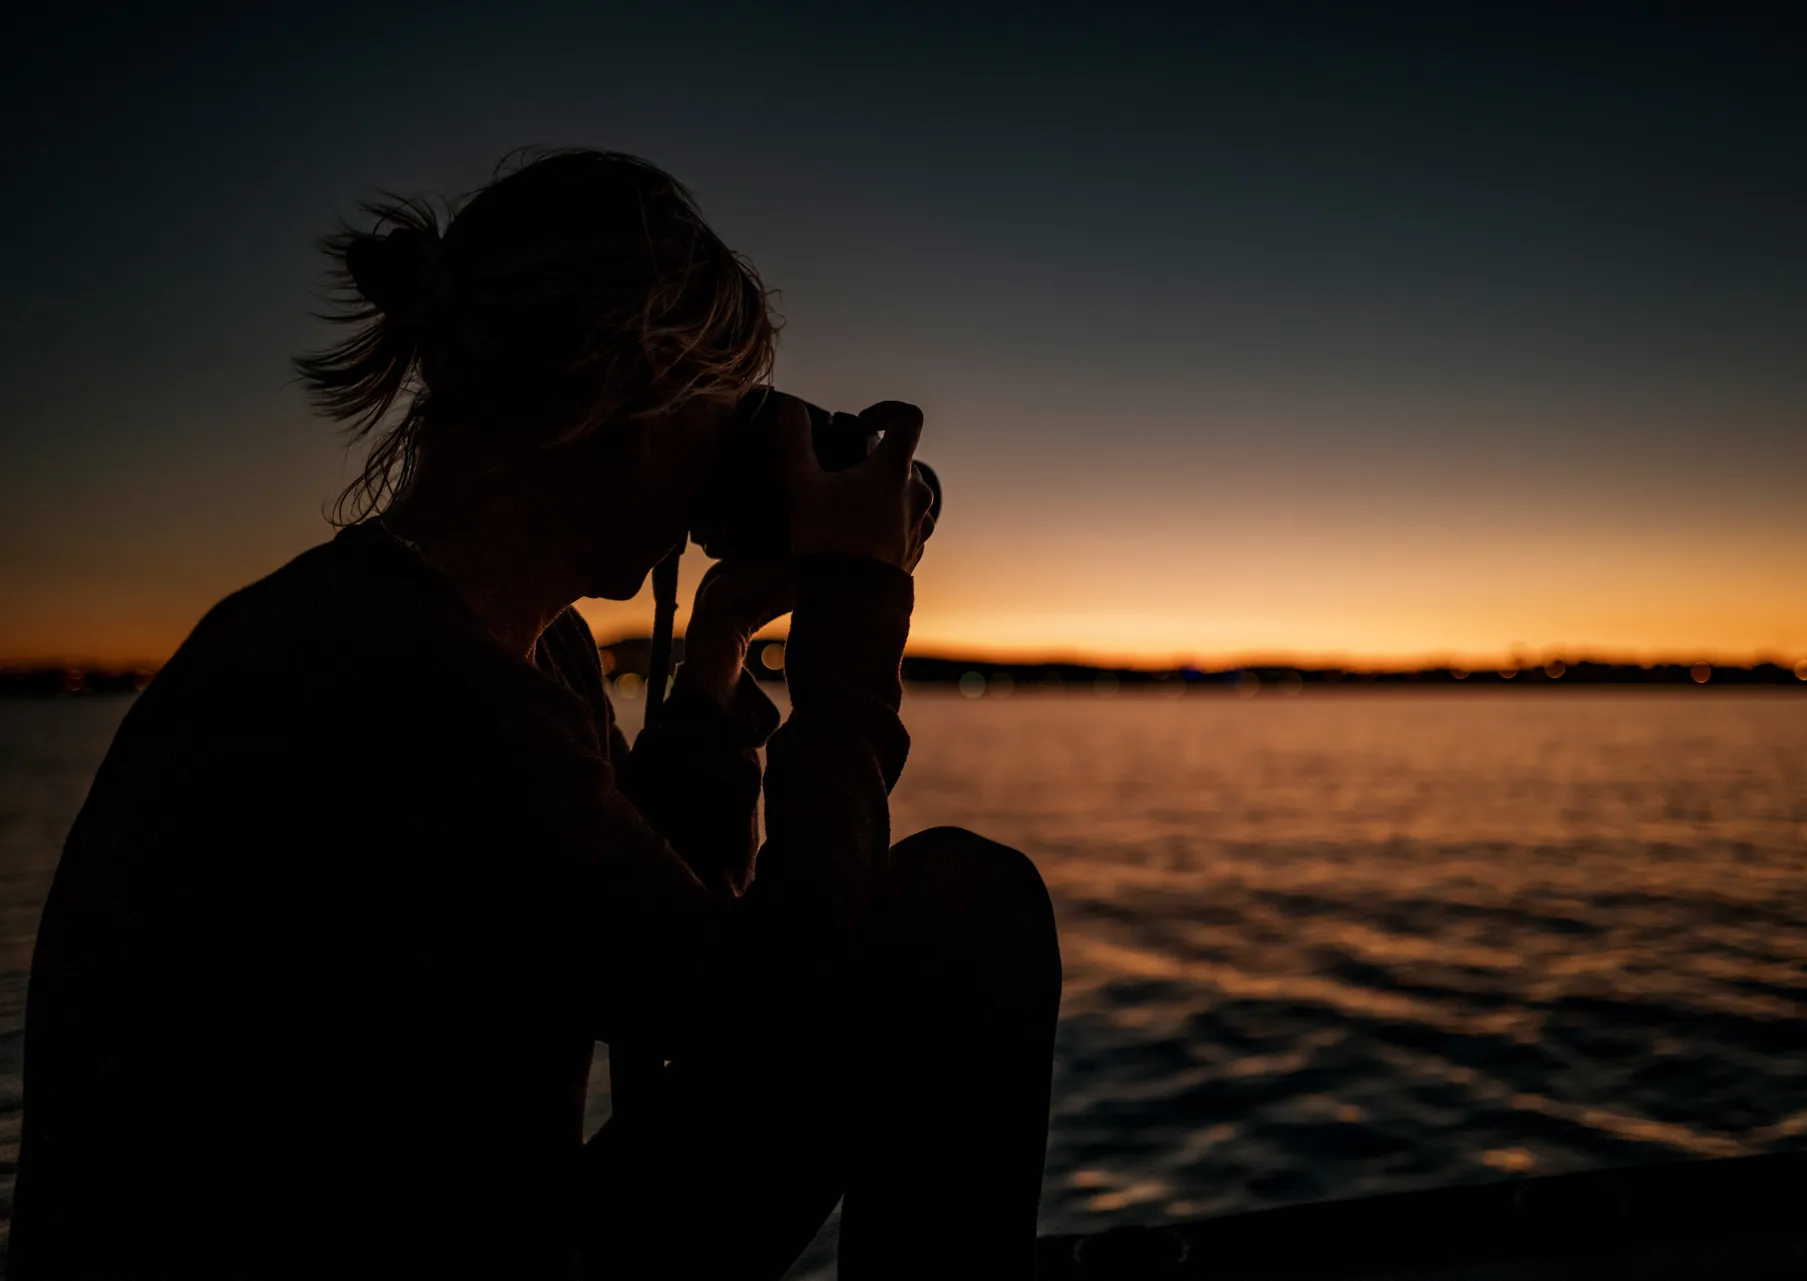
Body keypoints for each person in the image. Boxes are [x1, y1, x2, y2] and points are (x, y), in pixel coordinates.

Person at [10, 149, 1061, 1280]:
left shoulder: (495, 646)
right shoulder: (386, 686)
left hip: (449, 1235)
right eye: (730, 410)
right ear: (640, 386)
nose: (734, 457)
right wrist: (854, 637)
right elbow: (768, 1012)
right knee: (965, 911)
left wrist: (714, 656)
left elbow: (653, 919)